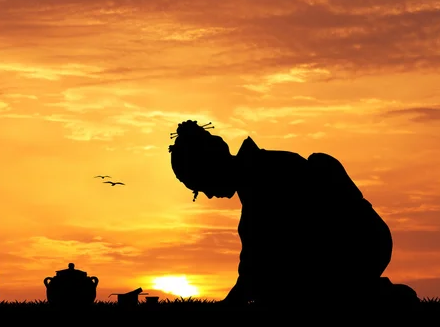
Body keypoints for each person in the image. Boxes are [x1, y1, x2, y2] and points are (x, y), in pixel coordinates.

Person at [168, 120, 405, 307]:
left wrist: (233, 302)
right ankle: (369, 292)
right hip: (352, 243)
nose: (208, 195)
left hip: (359, 245)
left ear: (211, 167)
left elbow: (259, 256)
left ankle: (380, 295)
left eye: (200, 185)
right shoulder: (258, 175)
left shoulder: (267, 176)